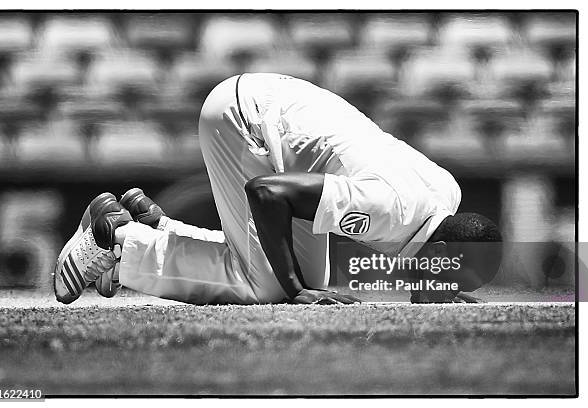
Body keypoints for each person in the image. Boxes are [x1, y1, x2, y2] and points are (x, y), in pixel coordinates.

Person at [54, 73, 502, 306]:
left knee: (307, 278)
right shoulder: (389, 210)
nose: (446, 289)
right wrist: (294, 289)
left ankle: (161, 231)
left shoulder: (447, 192)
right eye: (451, 277)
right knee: (273, 288)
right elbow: (267, 192)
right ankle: (117, 242)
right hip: (245, 118)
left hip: (280, 106)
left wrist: (438, 278)